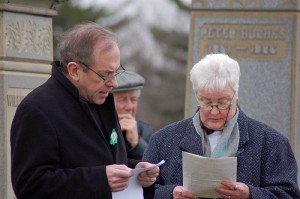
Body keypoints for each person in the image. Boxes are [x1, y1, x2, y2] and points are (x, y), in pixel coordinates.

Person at [10, 21, 159, 199]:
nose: (114, 83)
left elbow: (106, 162)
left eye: (116, 73)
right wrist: (100, 179)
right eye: (105, 75)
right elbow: (30, 186)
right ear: (74, 70)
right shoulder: (37, 109)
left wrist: (135, 172)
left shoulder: (101, 100)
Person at [143, 53, 300, 199]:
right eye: (207, 102)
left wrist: (250, 194)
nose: (215, 111)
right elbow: (142, 191)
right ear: (196, 96)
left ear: (236, 95)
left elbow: (289, 194)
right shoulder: (162, 140)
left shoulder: (271, 142)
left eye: (223, 103)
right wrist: (171, 193)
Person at [111, 70, 154, 160]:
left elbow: (155, 167)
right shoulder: (97, 128)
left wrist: (136, 143)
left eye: (133, 99)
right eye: (122, 99)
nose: (129, 107)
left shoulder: (145, 131)